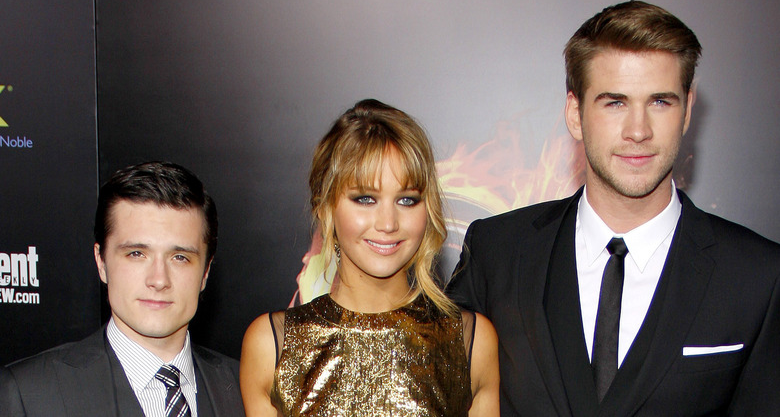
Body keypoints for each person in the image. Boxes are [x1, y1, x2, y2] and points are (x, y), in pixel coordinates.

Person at [447, 0, 780, 416]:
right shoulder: (496, 252)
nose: (638, 131)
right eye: (615, 102)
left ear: (688, 110)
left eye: (660, 102)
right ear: (574, 113)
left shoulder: (758, 277)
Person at [240, 99, 500, 416]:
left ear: (427, 210)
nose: (388, 223)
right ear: (326, 208)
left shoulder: (470, 342)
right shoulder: (272, 344)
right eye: (365, 199)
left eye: (407, 199)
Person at [0, 161, 245, 416]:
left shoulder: (246, 389)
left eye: (180, 257)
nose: (159, 280)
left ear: (205, 272)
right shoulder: (29, 394)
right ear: (101, 262)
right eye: (137, 253)